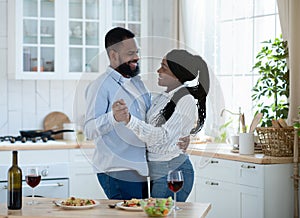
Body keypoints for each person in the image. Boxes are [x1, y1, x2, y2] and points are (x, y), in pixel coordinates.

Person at [84, 27, 189, 200]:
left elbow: (151, 121)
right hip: (118, 169)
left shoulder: (137, 82)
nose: (136, 57)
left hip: (140, 166)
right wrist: (113, 117)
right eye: (130, 53)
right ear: (113, 55)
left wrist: (180, 134)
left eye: (137, 52)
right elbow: (89, 130)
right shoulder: (100, 85)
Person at [113, 49, 210, 201]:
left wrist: (129, 120)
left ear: (177, 74)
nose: (158, 70)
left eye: (164, 67)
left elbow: (162, 137)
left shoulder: (185, 100)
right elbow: (159, 129)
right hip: (159, 171)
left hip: (172, 171)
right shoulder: (164, 97)